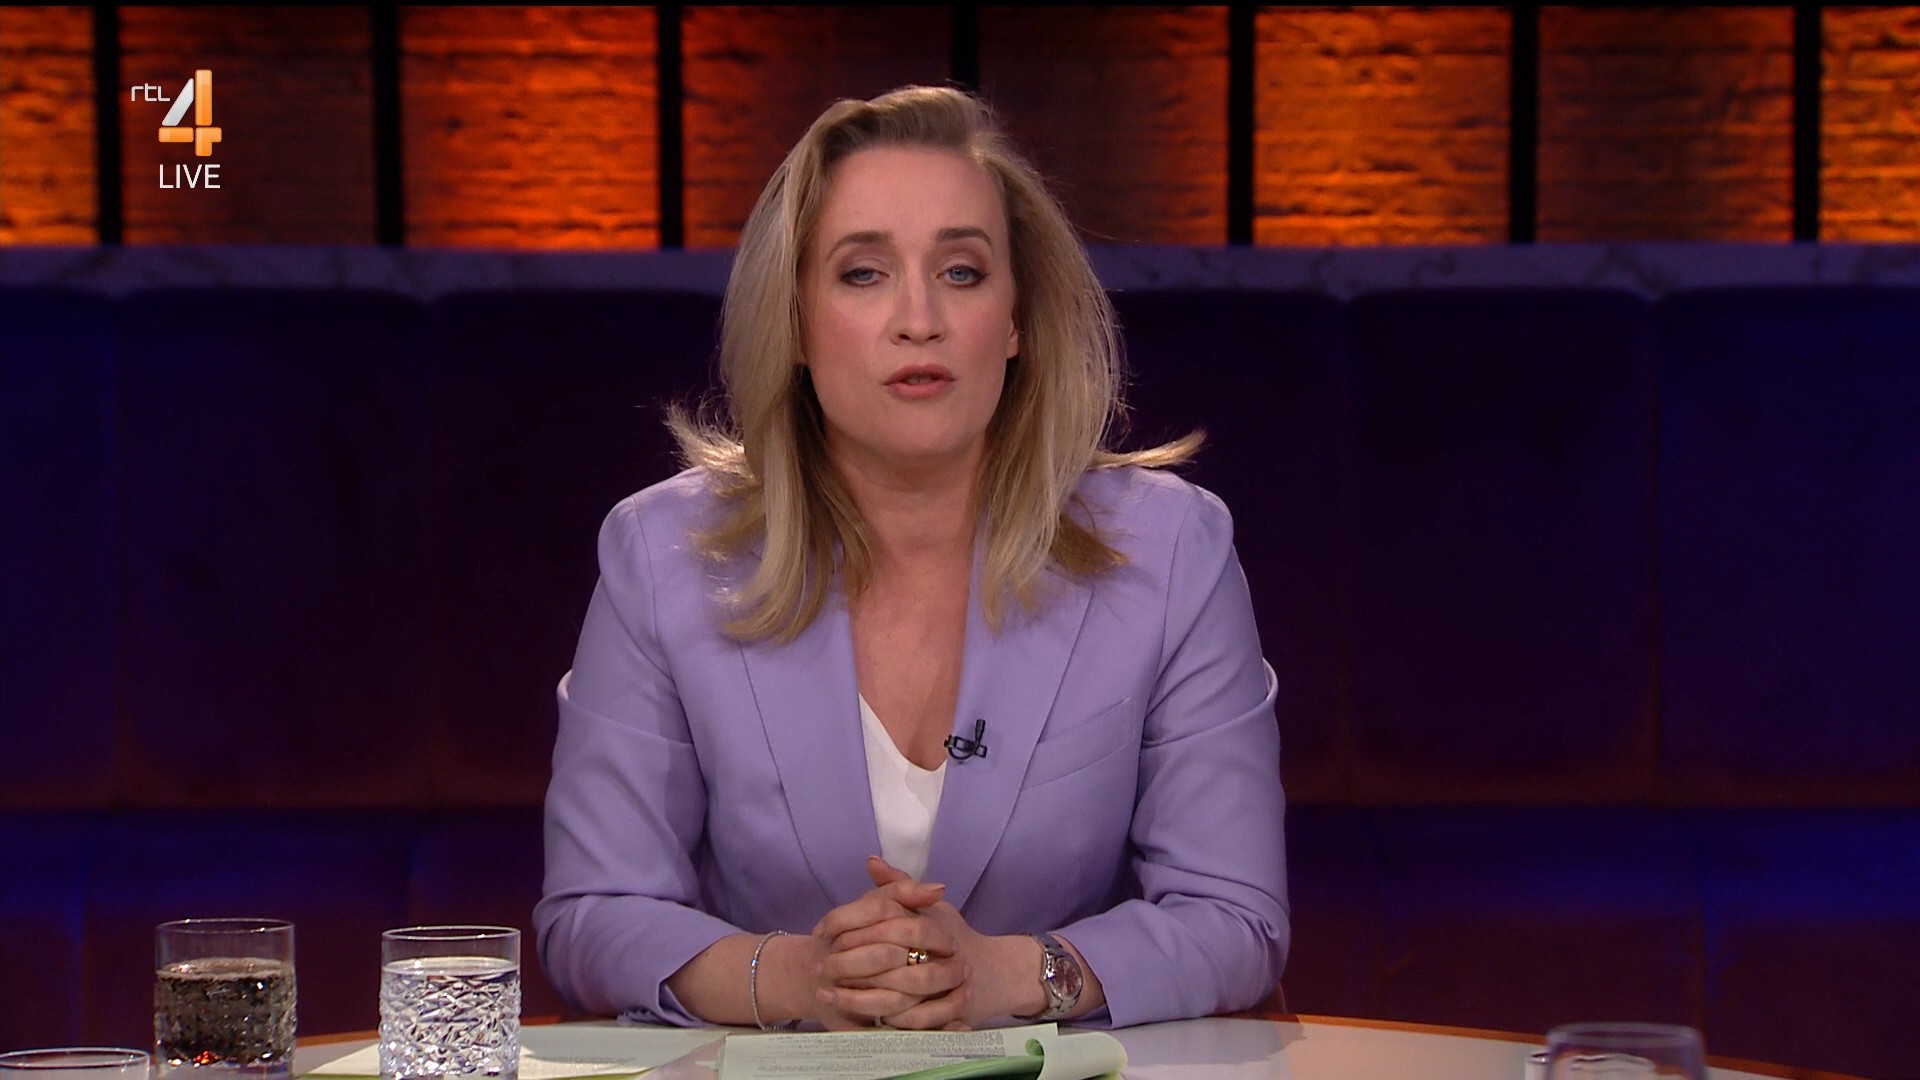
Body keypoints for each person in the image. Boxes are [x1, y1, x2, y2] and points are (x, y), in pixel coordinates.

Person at [534, 84, 1287, 1032]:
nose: (918, 318)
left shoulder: (1171, 552)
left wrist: (1012, 975)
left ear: (1015, 320)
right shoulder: (662, 556)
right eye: (863, 274)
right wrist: (798, 978)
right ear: (796, 321)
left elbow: (1234, 916)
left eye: (962, 272)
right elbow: (594, 914)